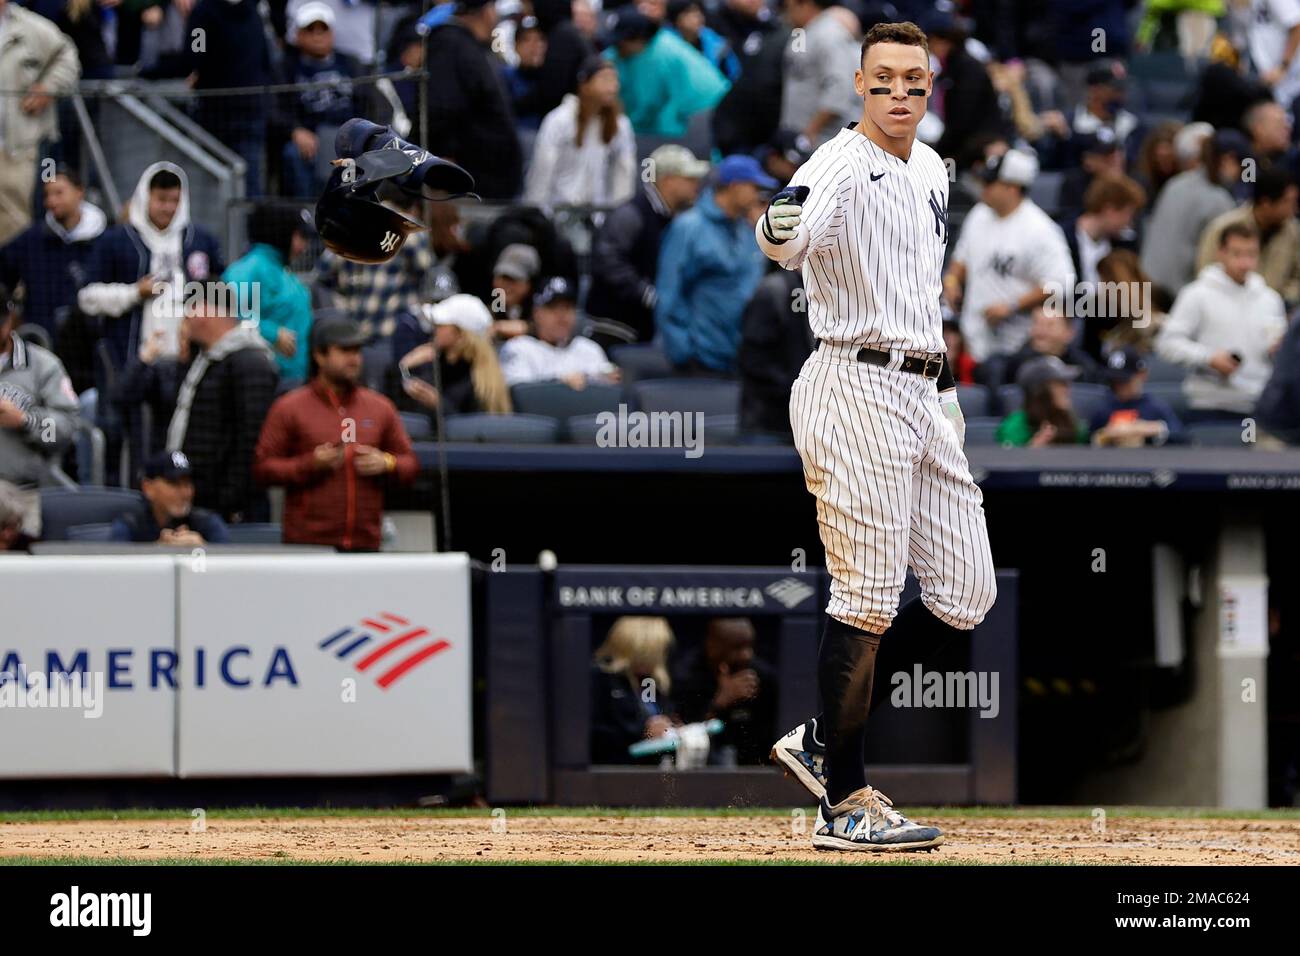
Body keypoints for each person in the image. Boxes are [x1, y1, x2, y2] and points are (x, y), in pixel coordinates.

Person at [756, 21, 993, 851]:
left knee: (967, 594)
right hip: (853, 382)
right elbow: (784, 233)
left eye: (914, 80)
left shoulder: (930, 165)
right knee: (865, 595)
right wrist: (778, 228)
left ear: (931, 88)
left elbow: (921, 295)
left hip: (925, 387)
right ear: (860, 84)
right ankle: (844, 798)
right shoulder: (838, 162)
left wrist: (949, 401)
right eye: (883, 78)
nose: (899, 92)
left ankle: (822, 737)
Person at [77, 163, 224, 482]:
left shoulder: (200, 241)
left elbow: (218, 292)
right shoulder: (117, 240)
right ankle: (122, 496)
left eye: (174, 200)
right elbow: (87, 297)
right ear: (146, 197)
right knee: (120, 433)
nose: (168, 208)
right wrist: (133, 293)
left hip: (184, 362)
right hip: (129, 359)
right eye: (161, 200)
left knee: (175, 436)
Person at [254, 317, 418, 551]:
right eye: (344, 350)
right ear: (319, 356)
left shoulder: (380, 407)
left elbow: (410, 463)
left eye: (357, 350)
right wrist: (309, 464)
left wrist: (387, 463)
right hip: (308, 546)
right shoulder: (289, 407)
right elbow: (263, 469)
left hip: (366, 544)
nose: (354, 359)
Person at [944, 148, 1076, 363]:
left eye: (990, 183)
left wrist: (1012, 305)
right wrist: (952, 280)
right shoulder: (979, 215)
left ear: (1012, 188)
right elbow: (962, 257)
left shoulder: (1040, 229)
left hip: (1018, 345)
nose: (983, 188)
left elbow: (1061, 283)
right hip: (973, 337)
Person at [1156, 222, 1288, 423]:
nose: (1244, 263)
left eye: (1251, 254)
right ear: (1221, 253)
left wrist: (1278, 352)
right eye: (1237, 254)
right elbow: (1167, 344)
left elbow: (1279, 355)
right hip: (1209, 405)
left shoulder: (1270, 299)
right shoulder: (1196, 294)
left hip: (1258, 406)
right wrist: (1208, 358)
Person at [655, 155, 773, 374]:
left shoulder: (747, 230)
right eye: (753, 186)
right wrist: (683, 352)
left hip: (737, 358)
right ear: (735, 186)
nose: (758, 193)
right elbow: (669, 294)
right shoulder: (689, 227)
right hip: (696, 360)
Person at [167, 293, 278, 523]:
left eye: (191, 308)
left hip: (233, 507)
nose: (185, 317)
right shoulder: (206, 359)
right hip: (205, 498)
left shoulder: (250, 362)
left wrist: (231, 499)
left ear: (207, 309)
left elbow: (252, 439)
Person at [585, 144, 709, 342]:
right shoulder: (631, 215)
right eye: (689, 179)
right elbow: (608, 261)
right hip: (615, 326)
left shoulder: (674, 217)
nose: (696, 185)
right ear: (667, 180)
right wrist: (646, 293)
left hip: (645, 326)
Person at [423, 0, 524, 199]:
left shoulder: (471, 46)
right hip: (464, 185)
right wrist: (443, 178)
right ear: (485, 11)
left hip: (487, 183)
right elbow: (442, 107)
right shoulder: (449, 43)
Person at [0, 0, 81, 245]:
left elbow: (68, 57)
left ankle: (11, 282)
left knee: (14, 221)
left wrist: (48, 87)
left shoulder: (31, 27)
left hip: (17, 146)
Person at [0, 290, 79, 539]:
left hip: (20, 494)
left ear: (9, 319)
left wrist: (26, 421)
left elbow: (66, 429)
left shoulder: (43, 366)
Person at [0, 167, 107, 340]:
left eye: (59, 193)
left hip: (92, 345)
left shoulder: (105, 238)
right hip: (43, 340)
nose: (51, 201)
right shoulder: (31, 239)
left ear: (79, 192)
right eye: (47, 195)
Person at [523, 55, 637, 211]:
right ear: (585, 84)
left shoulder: (620, 125)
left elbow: (624, 173)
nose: (612, 87)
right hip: (557, 210)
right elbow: (542, 172)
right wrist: (535, 212)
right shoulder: (559, 120)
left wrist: (618, 212)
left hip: (598, 213)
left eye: (614, 80)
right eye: (604, 79)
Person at [314, 192, 433, 341]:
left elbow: (322, 272)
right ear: (414, 205)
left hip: (353, 337)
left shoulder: (350, 222)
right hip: (392, 335)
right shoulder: (409, 227)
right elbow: (428, 271)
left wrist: (341, 302)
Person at [1140, 129, 1242, 299]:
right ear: (1227, 160)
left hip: (1146, 283)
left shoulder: (1175, 183)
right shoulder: (1219, 199)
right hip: (1178, 294)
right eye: (1241, 163)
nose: (1242, 172)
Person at [185, 0, 272, 197]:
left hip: (215, 115)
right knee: (248, 188)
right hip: (249, 110)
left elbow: (194, 56)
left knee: (211, 188)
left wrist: (151, 71)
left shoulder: (203, 12)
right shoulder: (254, 11)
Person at [273, 1, 361, 197]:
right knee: (293, 154)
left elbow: (368, 103)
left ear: (332, 33)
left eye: (323, 29)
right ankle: (308, 214)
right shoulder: (286, 68)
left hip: (349, 135)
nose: (318, 35)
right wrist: (295, 130)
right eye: (310, 29)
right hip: (311, 138)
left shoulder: (351, 64)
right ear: (298, 35)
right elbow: (275, 109)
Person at [390, 294, 512, 429]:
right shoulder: (433, 367)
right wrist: (404, 366)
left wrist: (439, 404)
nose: (434, 328)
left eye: (441, 324)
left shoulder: (480, 382)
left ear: (460, 334)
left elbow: (475, 432)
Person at [223, 205, 314, 386]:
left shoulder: (283, 271)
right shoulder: (249, 269)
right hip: (266, 380)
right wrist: (272, 334)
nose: (305, 246)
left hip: (295, 378)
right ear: (284, 233)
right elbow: (228, 315)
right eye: (301, 236)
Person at [606, 9, 729, 138]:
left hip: (706, 113)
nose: (617, 48)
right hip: (702, 111)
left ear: (639, 39)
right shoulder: (658, 42)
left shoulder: (657, 55)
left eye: (620, 43)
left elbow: (648, 108)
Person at [672, 617, 779, 765]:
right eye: (737, 648)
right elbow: (681, 732)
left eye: (749, 646)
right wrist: (720, 701)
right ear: (712, 646)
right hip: (702, 767)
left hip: (755, 767)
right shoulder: (687, 674)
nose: (746, 654)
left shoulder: (763, 676)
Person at [1195, 165, 1300, 309]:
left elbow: (1296, 277)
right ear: (1266, 203)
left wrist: (1283, 300)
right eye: (1287, 202)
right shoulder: (1223, 228)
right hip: (1225, 307)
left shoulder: (1293, 232)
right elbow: (1206, 271)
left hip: (1274, 311)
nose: (1294, 208)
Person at [499, 277, 617, 387]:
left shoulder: (590, 350)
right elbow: (519, 396)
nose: (562, 316)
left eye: (567, 308)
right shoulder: (519, 349)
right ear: (537, 313)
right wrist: (560, 384)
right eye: (553, 308)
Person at [590, 616, 676, 764]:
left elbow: (657, 716)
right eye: (654, 652)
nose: (658, 658)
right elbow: (596, 733)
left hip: (653, 766)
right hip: (614, 767)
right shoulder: (601, 680)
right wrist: (643, 732)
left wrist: (670, 727)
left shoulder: (650, 681)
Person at [737, 268, 811, 439]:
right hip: (768, 424)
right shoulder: (773, 291)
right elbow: (752, 361)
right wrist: (797, 388)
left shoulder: (823, 291)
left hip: (805, 422)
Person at [780, 0, 861, 148]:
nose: (786, 14)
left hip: (825, 139)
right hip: (804, 137)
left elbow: (839, 90)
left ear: (805, 4)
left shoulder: (829, 33)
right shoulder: (806, 31)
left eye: (789, 7)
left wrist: (810, 132)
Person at [108, 449, 230, 544]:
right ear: (148, 488)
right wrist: (158, 552)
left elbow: (229, 568)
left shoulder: (208, 523)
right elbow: (114, 569)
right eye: (174, 484)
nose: (185, 493)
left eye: (187, 484)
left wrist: (205, 551)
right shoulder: (131, 525)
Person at [1090, 347, 1186, 447]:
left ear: (1142, 375)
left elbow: (1180, 435)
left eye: (1124, 381)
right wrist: (1106, 434)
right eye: (1114, 382)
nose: (1119, 387)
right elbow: (1087, 440)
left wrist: (1148, 428)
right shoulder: (1104, 407)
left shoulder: (1155, 407)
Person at [995, 355, 1089, 447]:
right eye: (1060, 384)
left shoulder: (1072, 423)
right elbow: (1008, 459)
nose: (1067, 390)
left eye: (1067, 383)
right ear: (1040, 392)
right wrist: (1033, 449)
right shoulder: (1015, 426)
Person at [1000, 305, 1102, 387]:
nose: (1041, 331)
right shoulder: (1013, 366)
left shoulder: (1084, 366)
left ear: (1069, 333)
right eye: (1037, 324)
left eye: (1050, 325)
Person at [488, 243, 541, 340]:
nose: (504, 285)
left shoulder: (540, 312)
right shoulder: (490, 311)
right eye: (502, 277)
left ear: (529, 283)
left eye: (513, 279)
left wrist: (529, 329)